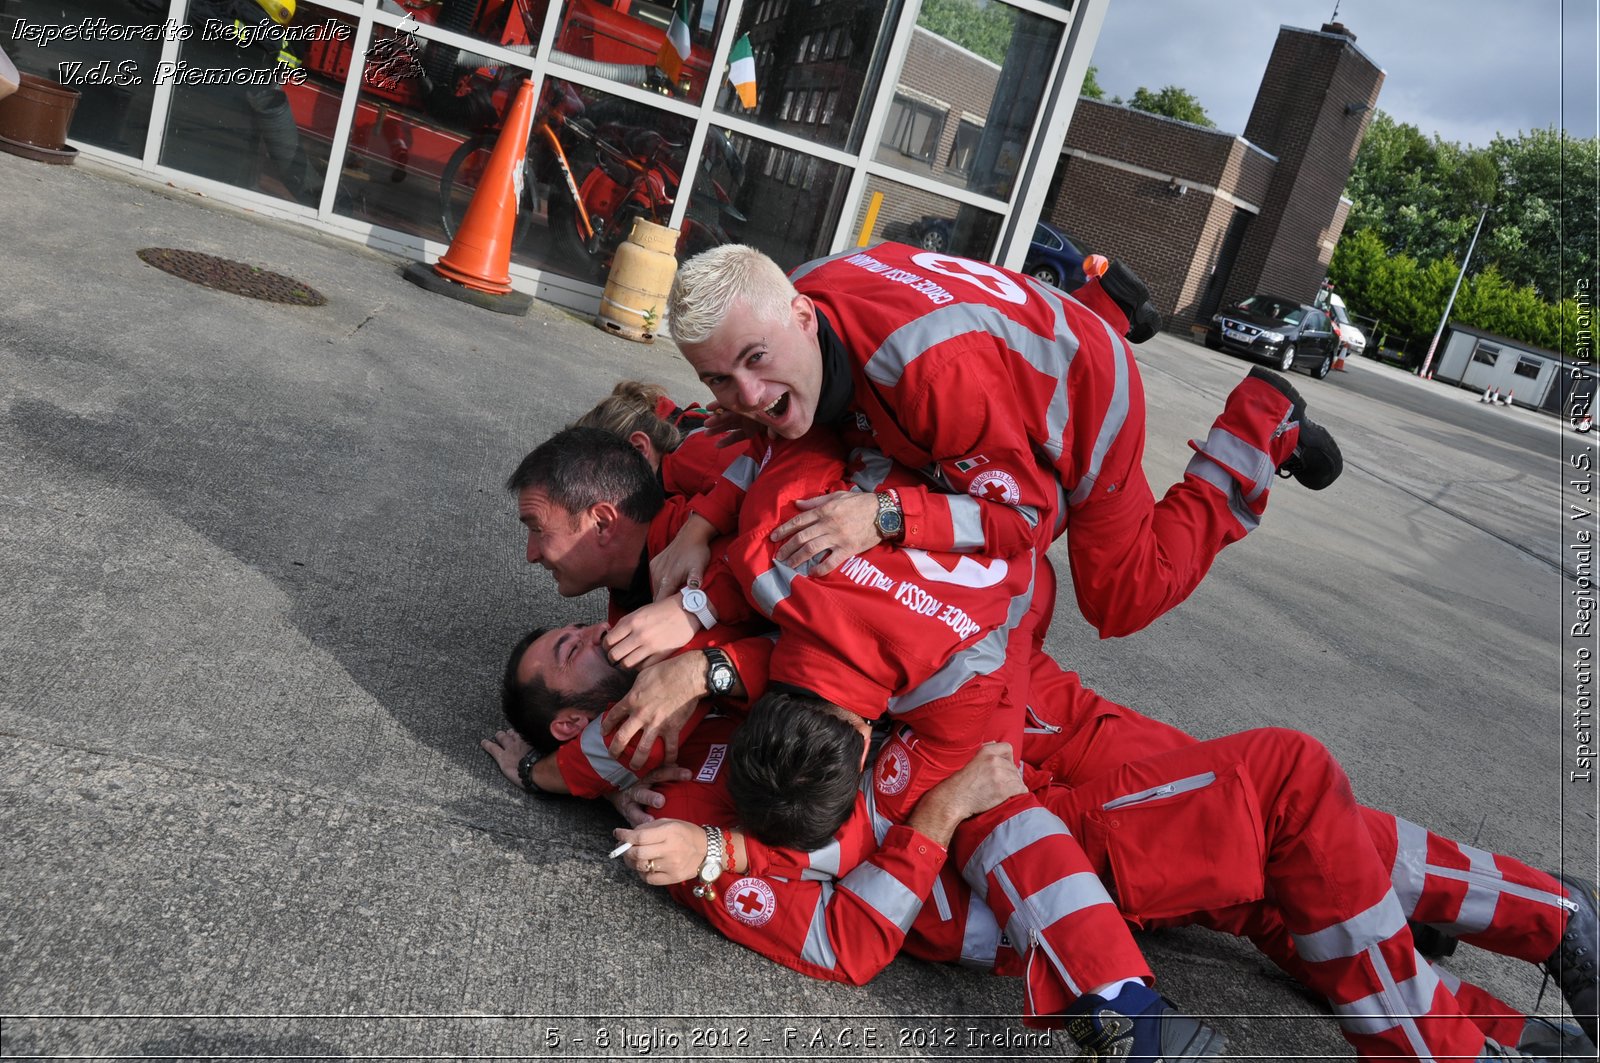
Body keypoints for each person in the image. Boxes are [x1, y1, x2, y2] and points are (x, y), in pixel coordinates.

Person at [480, 654, 1597, 1062]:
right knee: (1288, 791)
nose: (610, 644)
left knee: (1290, 847)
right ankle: (1519, 966)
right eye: (576, 653)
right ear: (578, 724)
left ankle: (1516, 1012)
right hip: (1009, 846)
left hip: (1034, 764)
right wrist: (699, 843)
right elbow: (845, 935)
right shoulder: (679, 812)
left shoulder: (709, 679)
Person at [605, 242, 1342, 759]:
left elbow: (1029, 518)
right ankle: (1105, 301)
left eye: (755, 364)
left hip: (1081, 389)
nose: (749, 397)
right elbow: (792, 439)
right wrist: (703, 524)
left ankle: (1258, 425)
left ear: (803, 317)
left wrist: (887, 516)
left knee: (1124, 593)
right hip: (1004, 351)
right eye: (719, 381)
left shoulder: (928, 383)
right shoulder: (797, 302)